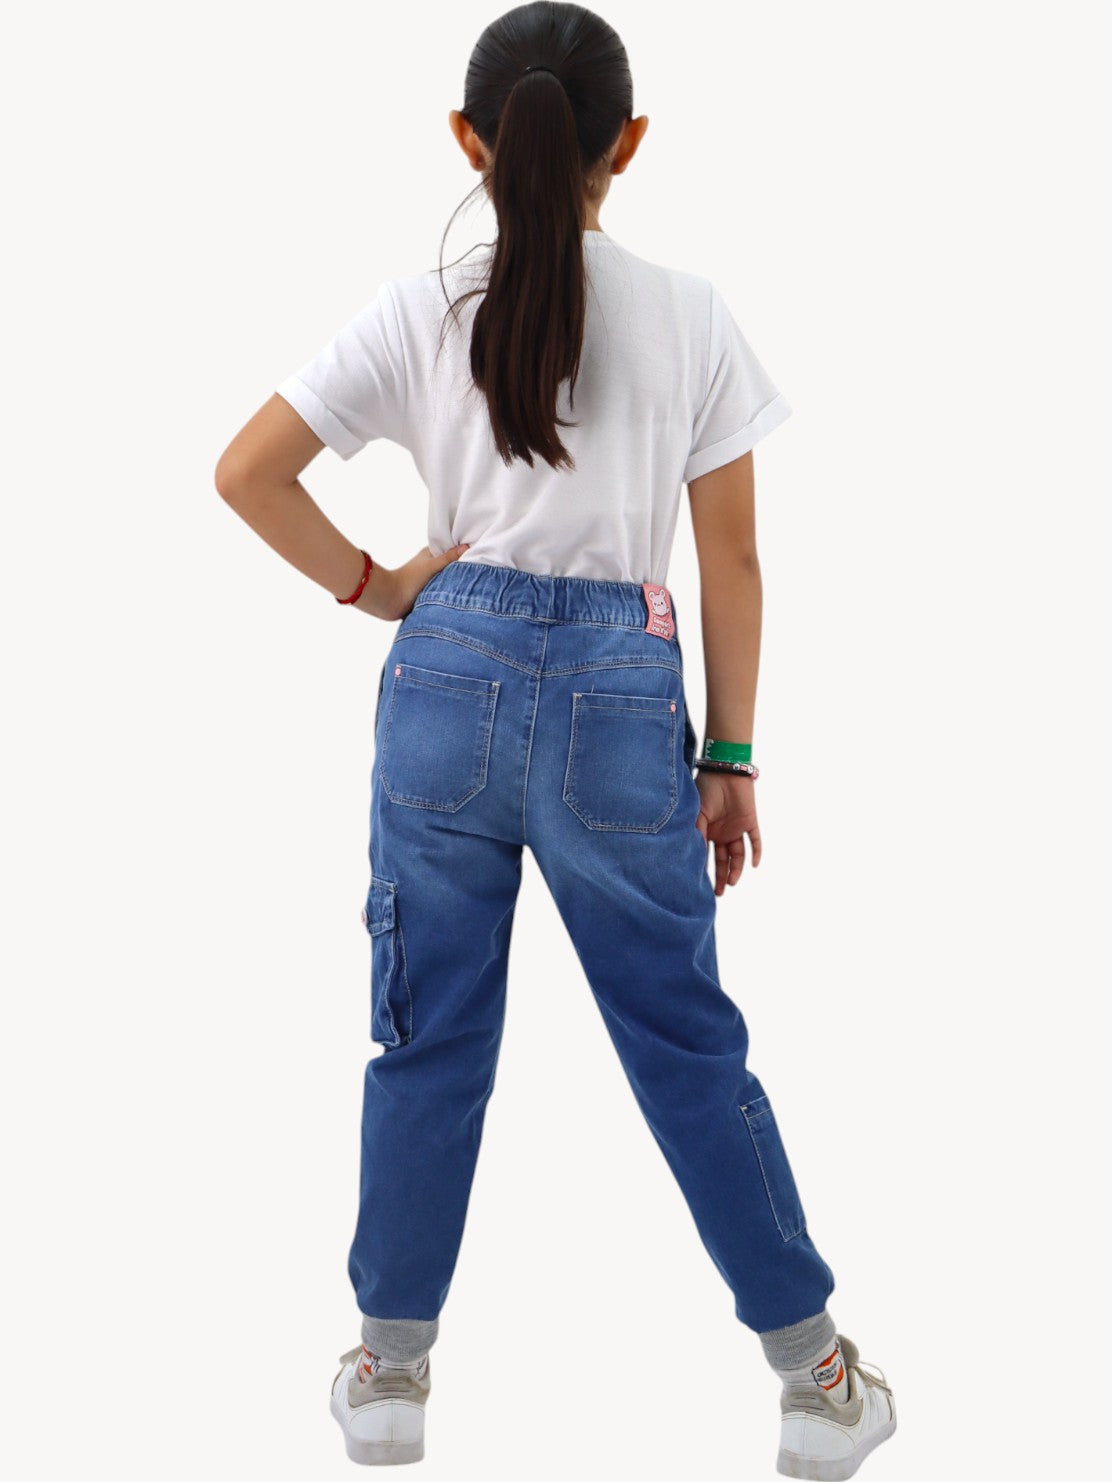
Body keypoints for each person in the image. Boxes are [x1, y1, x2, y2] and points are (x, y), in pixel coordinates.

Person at [215, 4, 897, 1477]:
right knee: (686, 1043)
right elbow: (734, 562)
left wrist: (382, 587)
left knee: (428, 1035)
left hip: (444, 675)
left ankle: (388, 1378)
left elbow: (247, 472)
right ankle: (817, 1383)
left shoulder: (416, 309)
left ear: (469, 142)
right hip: (620, 699)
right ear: (627, 145)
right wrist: (730, 759)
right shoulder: (693, 314)